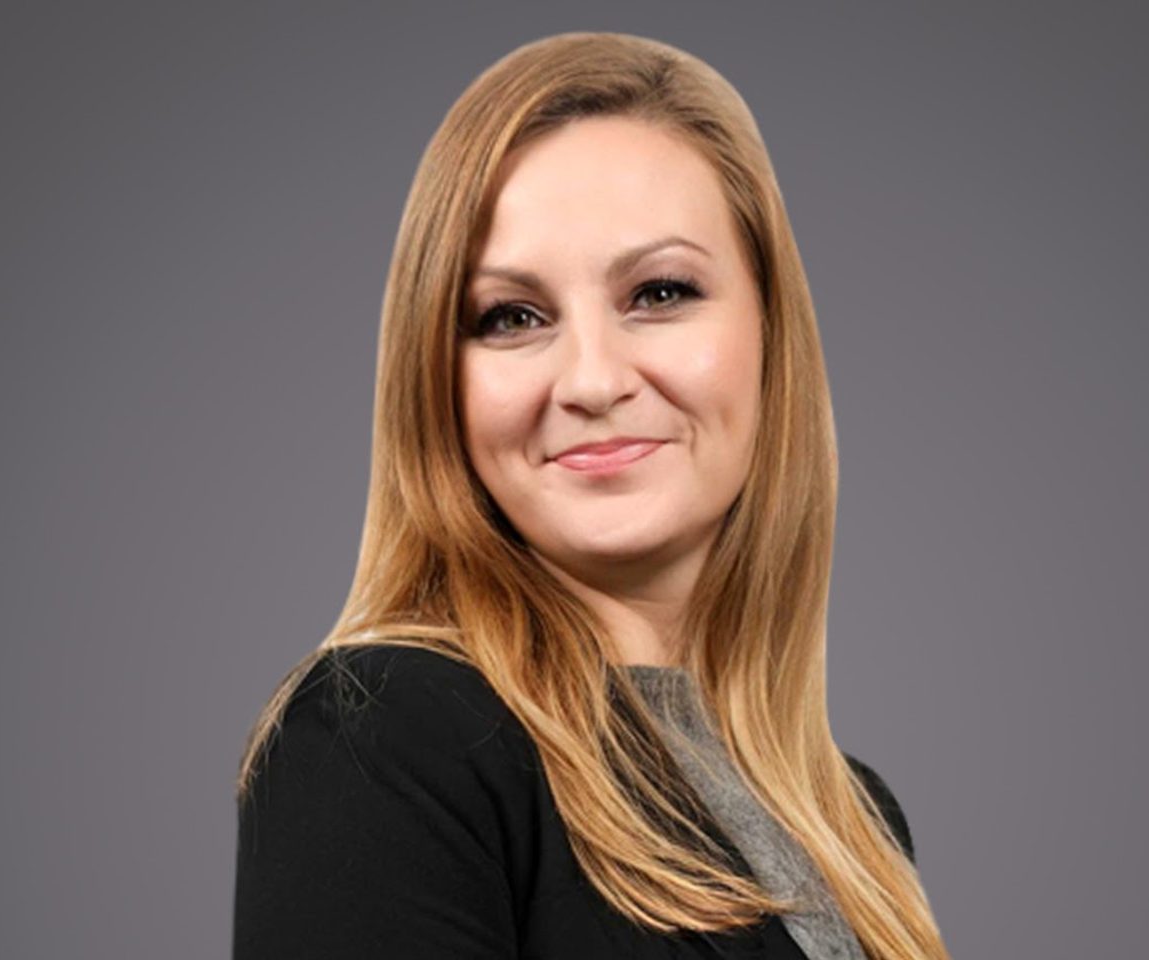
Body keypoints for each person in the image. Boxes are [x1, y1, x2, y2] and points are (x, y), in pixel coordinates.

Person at [232, 31, 950, 960]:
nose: (592, 380)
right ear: (436, 381)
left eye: (658, 292)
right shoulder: (386, 736)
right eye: (512, 317)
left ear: (772, 334)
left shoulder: (852, 818)